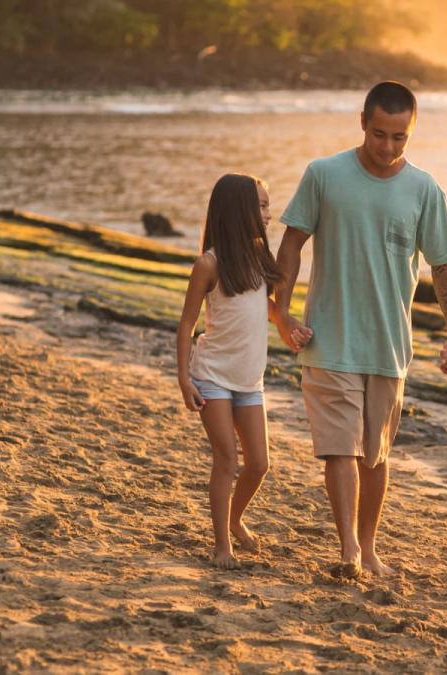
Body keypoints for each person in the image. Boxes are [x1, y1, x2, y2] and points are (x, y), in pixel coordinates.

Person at [273, 81, 447, 579]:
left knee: (375, 457)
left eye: (399, 138)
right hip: (328, 338)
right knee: (340, 449)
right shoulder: (323, 175)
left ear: (412, 131)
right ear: (362, 122)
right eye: (379, 134)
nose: (387, 147)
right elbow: (291, 243)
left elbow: (443, 266)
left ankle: (370, 545)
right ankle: (348, 550)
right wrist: (283, 311)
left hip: (388, 344)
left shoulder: (424, 189)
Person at [176, 173, 283, 569]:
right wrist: (184, 378)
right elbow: (187, 323)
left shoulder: (259, 258)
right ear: (239, 211)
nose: (269, 214)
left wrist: (289, 328)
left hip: (249, 379)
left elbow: (265, 308)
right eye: (261, 206)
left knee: (259, 463)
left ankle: (236, 519)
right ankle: (222, 545)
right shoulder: (209, 263)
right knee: (227, 460)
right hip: (212, 376)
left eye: (268, 205)